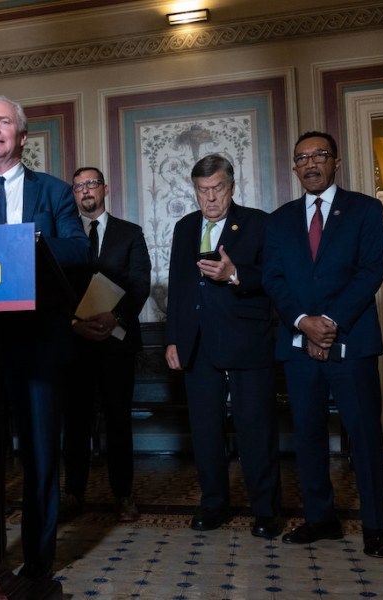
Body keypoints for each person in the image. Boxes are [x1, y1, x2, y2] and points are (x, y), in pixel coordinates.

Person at [0, 96, 89, 581]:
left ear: (23, 136)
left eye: (4, 121)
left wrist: (29, 245)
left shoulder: (52, 192)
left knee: (41, 451)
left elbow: (77, 250)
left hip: (39, 341)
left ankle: (39, 558)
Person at [262, 131, 383, 558]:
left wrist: (329, 323)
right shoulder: (279, 219)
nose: (310, 163)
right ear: (294, 167)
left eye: (319, 155)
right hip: (298, 346)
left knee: (364, 434)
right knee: (308, 435)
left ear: (336, 161)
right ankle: (321, 519)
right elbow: (273, 279)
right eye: (302, 158)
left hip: (352, 342)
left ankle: (374, 525)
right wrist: (304, 324)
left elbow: (370, 271)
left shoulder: (365, 210)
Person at [165, 154, 282, 538]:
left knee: (255, 428)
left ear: (232, 187)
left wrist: (235, 275)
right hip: (197, 345)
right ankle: (213, 504)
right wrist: (174, 340)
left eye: (217, 189)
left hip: (248, 342)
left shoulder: (258, 223)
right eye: (203, 190)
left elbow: (276, 280)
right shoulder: (184, 227)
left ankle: (266, 511)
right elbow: (179, 289)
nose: (211, 198)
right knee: (205, 431)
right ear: (194, 191)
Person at [61, 167, 151, 523]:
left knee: (118, 422)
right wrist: (73, 324)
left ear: (105, 189)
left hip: (117, 344)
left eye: (92, 184)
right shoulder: (64, 237)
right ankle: (73, 493)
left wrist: (117, 318)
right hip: (75, 345)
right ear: (74, 193)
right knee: (76, 423)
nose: (86, 191)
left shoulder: (130, 233)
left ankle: (123, 495)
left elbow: (140, 283)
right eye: (79, 185)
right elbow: (54, 287)